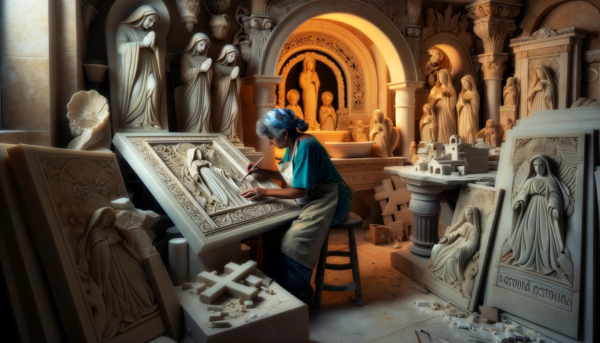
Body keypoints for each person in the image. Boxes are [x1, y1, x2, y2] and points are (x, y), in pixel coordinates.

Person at [241, 108, 353, 304]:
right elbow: (289, 175)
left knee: (295, 239)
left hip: (330, 200)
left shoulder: (307, 146)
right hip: (311, 196)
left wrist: (264, 192)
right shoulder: (292, 144)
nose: (269, 142)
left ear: (284, 134)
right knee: (273, 229)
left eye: (270, 138)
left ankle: (300, 294)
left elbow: (300, 191)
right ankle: (278, 282)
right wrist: (262, 171)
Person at [116, 5, 164, 130]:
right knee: (136, 92)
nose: (151, 23)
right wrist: (142, 44)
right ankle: (133, 121)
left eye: (154, 22)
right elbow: (121, 48)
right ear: (141, 16)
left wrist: (153, 47)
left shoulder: (153, 35)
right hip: (135, 70)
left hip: (151, 68)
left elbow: (161, 53)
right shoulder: (124, 29)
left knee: (153, 86)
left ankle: (150, 121)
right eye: (150, 20)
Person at [175, 32, 212, 133]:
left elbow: (210, 79)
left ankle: (204, 131)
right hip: (192, 89)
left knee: (206, 106)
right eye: (201, 44)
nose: (204, 47)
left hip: (204, 89)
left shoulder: (206, 59)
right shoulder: (186, 57)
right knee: (192, 110)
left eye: (205, 45)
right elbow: (183, 76)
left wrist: (209, 71)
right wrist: (200, 69)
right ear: (194, 44)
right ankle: (191, 131)